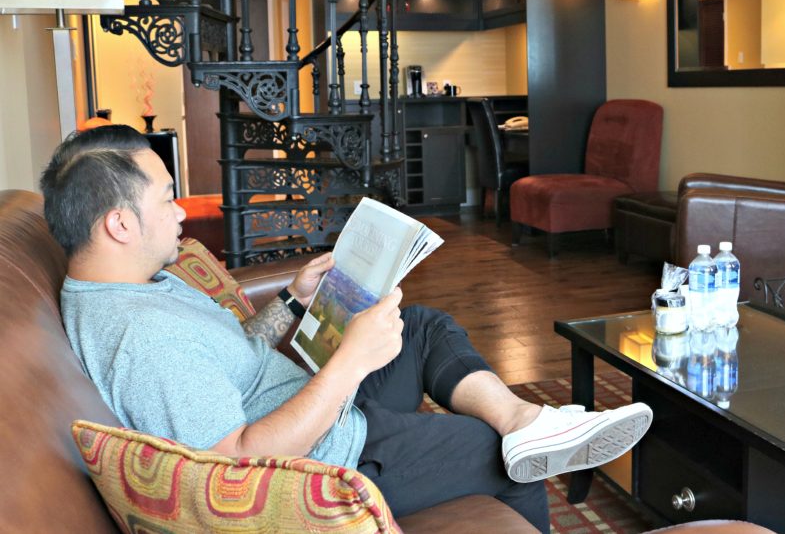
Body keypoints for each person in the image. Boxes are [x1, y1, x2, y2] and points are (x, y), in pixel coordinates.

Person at [41, 125, 652, 531]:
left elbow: (226, 357)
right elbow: (235, 465)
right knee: (486, 449)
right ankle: (513, 438)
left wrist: (292, 300)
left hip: (307, 402)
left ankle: (523, 420)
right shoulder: (142, 339)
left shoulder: (136, 283)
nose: (180, 212)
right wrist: (349, 363)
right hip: (330, 458)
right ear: (120, 224)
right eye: (168, 198)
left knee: (416, 326)